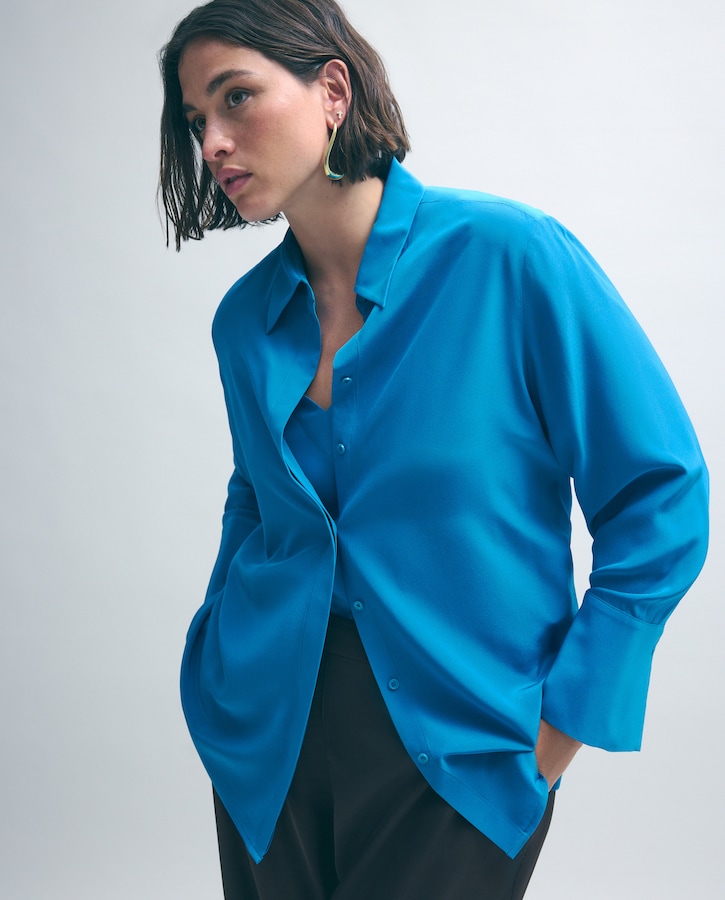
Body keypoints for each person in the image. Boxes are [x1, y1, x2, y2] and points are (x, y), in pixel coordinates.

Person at [158, 1, 709, 897]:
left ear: (332, 91)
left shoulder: (508, 258)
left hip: (469, 743)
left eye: (236, 98)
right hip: (267, 740)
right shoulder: (243, 322)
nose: (213, 141)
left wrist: (563, 727)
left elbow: (660, 494)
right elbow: (257, 498)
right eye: (195, 121)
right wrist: (216, 664)